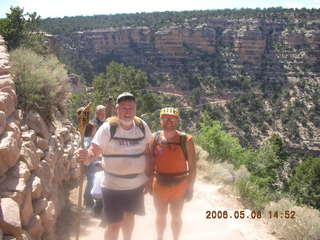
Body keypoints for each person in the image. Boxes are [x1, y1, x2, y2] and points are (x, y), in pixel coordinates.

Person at [77, 92, 152, 240]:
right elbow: (94, 151)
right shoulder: (108, 128)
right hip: (113, 186)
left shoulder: (142, 126)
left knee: (130, 218)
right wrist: (87, 156)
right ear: (117, 109)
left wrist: (150, 177)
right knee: (114, 224)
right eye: (124, 108)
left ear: (135, 109)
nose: (127, 112)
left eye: (131, 108)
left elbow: (149, 151)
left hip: (135, 185)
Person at [149, 107, 197, 240]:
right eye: (166, 118)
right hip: (159, 183)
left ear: (177, 120)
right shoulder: (154, 138)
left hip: (180, 185)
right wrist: (148, 183)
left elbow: (193, 166)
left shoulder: (186, 139)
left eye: (173, 118)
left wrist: (190, 187)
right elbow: (149, 163)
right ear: (160, 120)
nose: (169, 121)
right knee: (160, 215)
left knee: (176, 216)